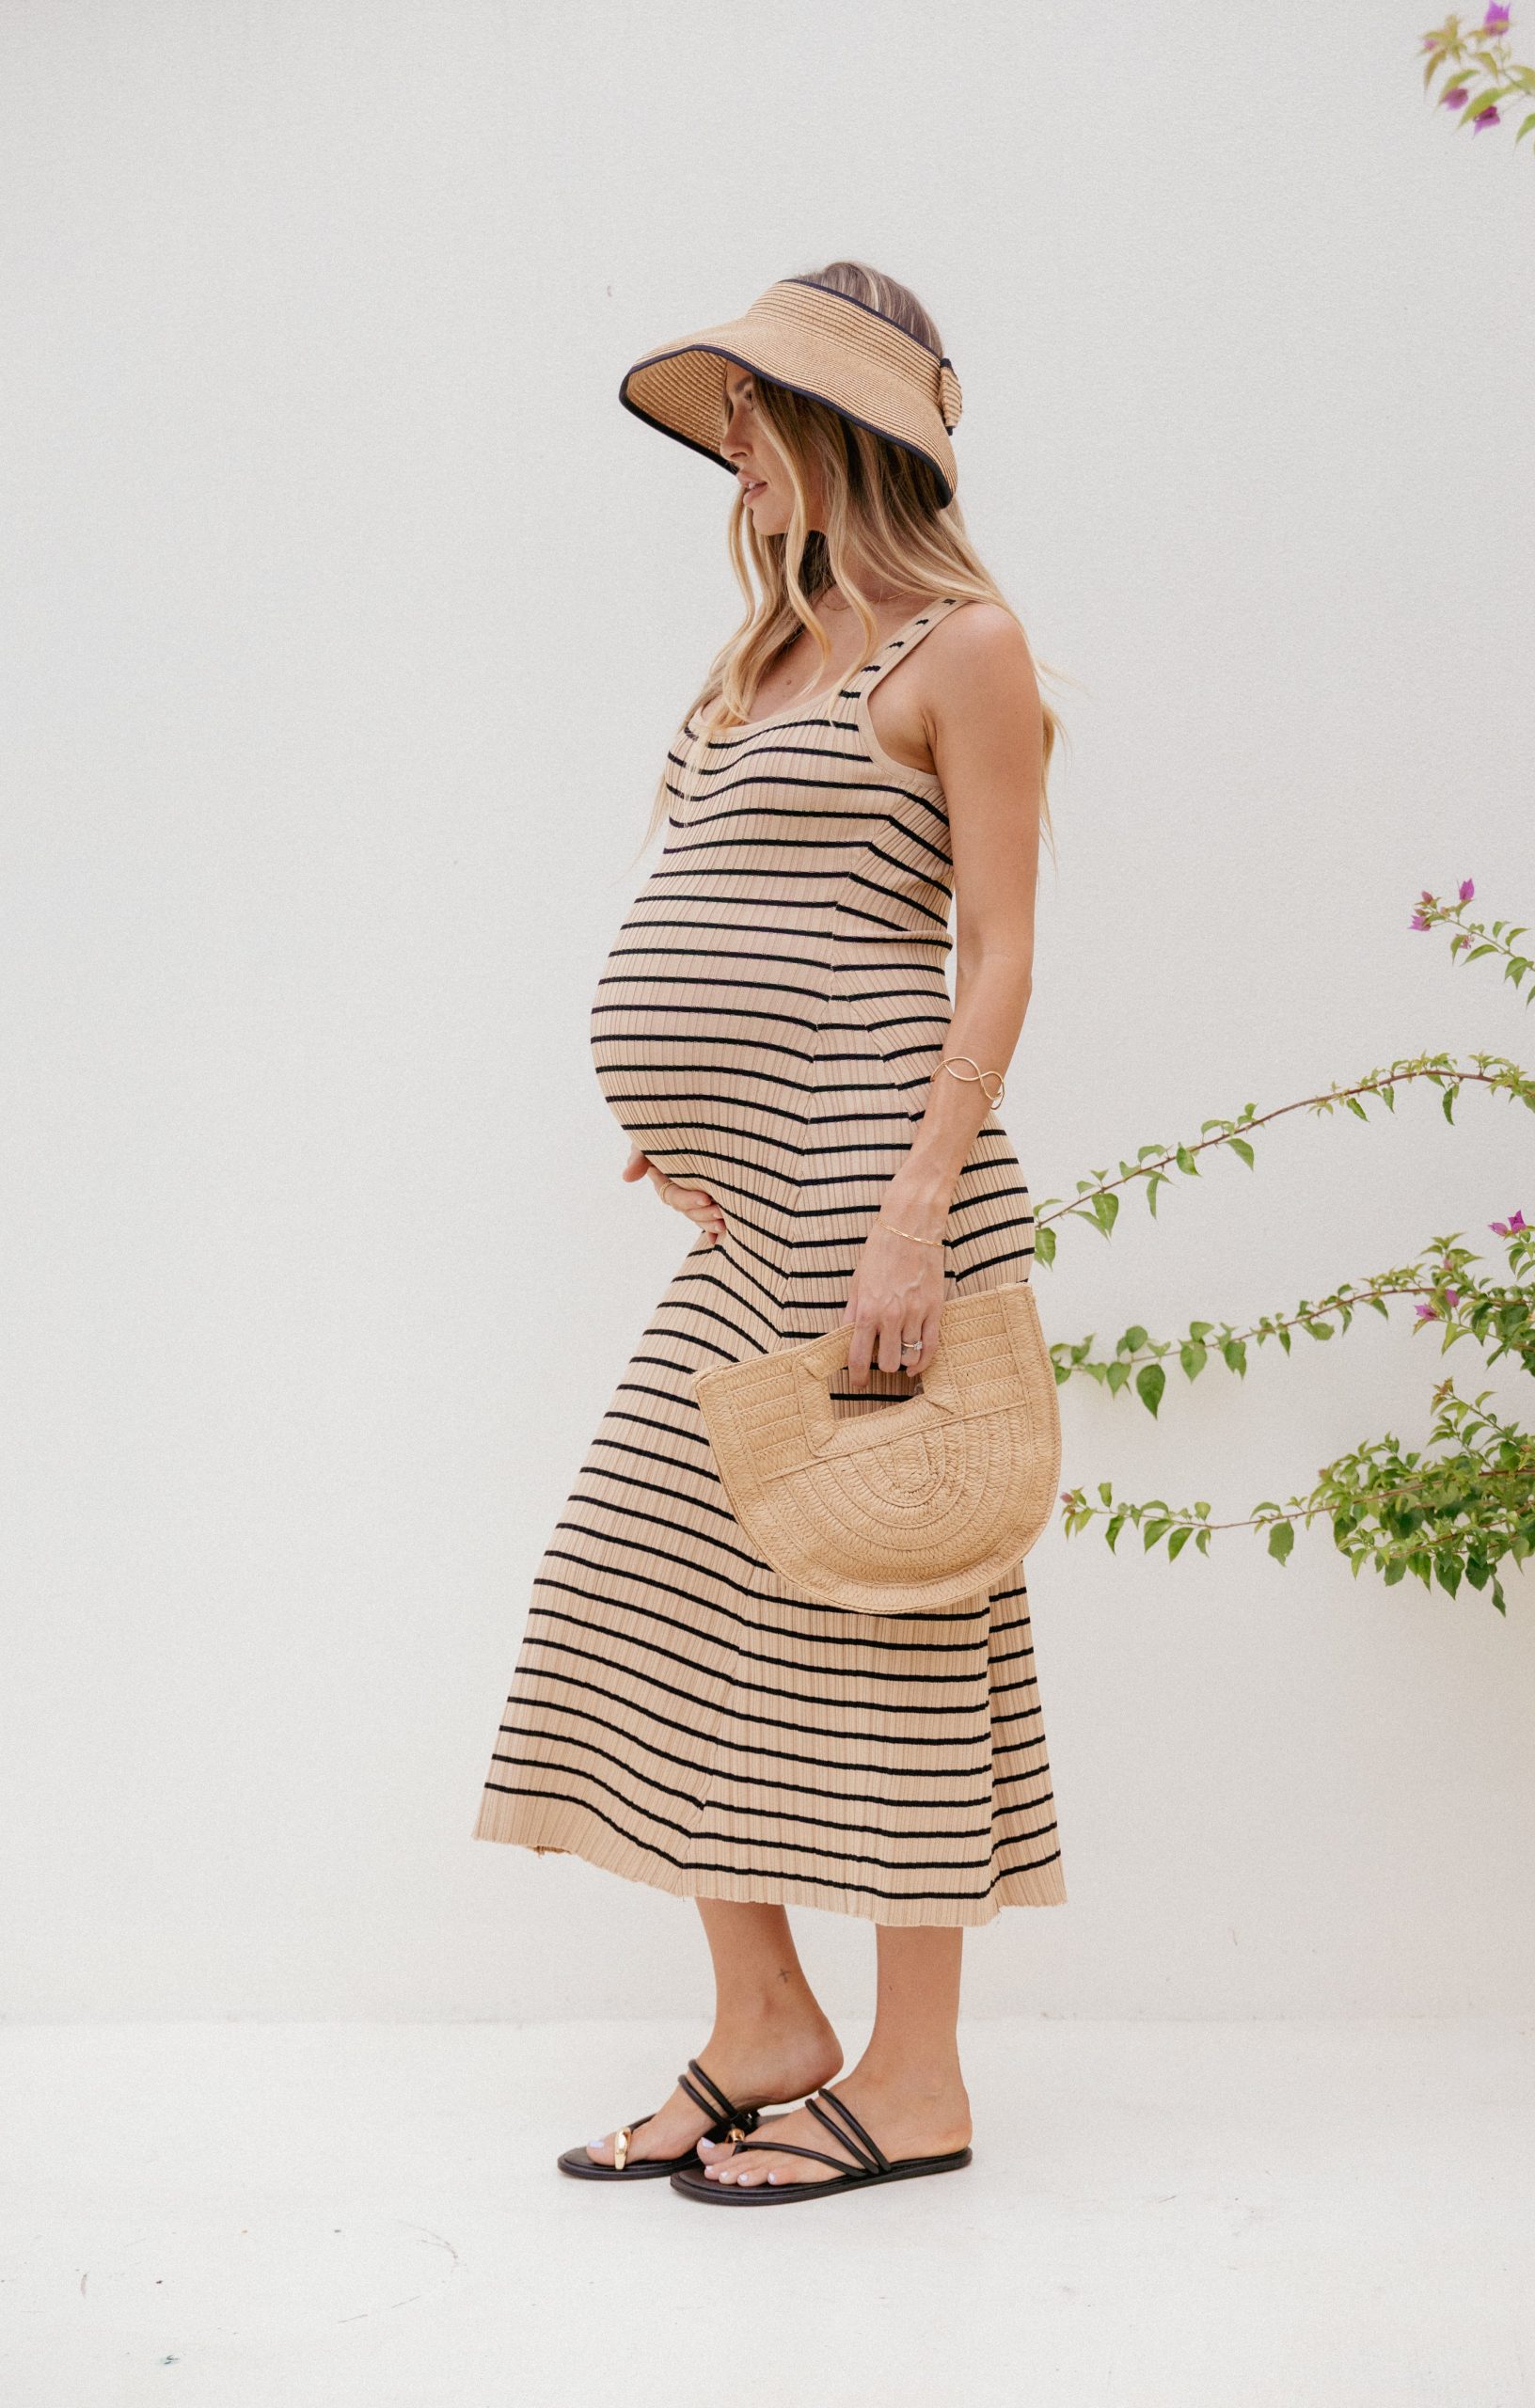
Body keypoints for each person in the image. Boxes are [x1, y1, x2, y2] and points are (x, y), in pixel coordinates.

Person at [473, 260, 1068, 2204]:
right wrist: (681, 1108)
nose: (730, 448)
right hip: (758, 1207)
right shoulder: (758, 662)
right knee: (642, 1578)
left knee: (900, 1615)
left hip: (882, 1190)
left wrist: (913, 1219)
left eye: (754, 413)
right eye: (723, 418)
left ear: (839, 426)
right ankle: (764, 2026)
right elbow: (716, 907)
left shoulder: (963, 648)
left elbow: (995, 954)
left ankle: (916, 2079)